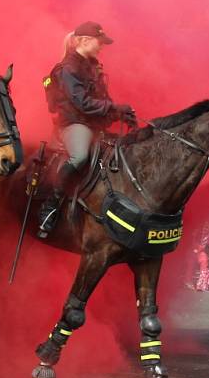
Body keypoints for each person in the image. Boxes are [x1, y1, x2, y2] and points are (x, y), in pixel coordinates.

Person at [37, 21, 137, 237]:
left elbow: (101, 100)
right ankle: (50, 207)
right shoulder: (68, 68)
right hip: (73, 124)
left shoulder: (92, 67)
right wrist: (113, 107)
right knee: (80, 156)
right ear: (84, 41)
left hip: (92, 124)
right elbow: (81, 102)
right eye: (99, 42)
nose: (102, 46)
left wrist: (120, 113)